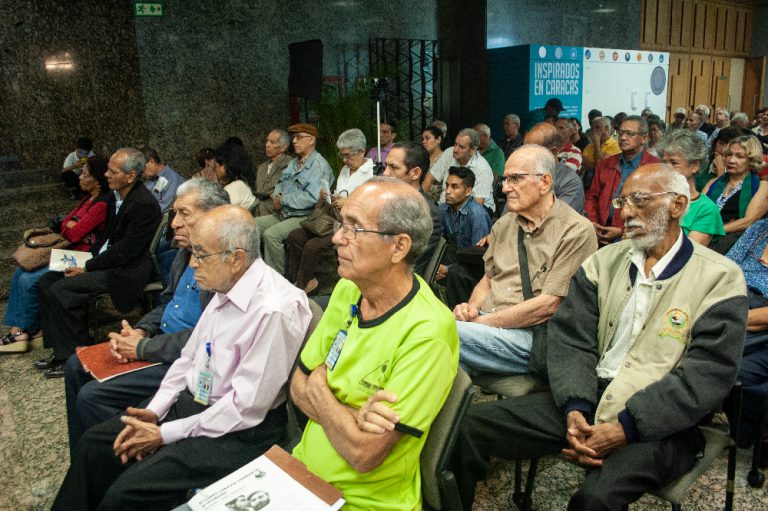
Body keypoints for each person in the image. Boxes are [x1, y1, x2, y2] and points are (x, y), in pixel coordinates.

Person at [453, 163, 748, 511]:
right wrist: (575, 407)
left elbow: (707, 374)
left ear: (677, 205)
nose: (627, 213)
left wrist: (627, 427)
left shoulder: (719, 278)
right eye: (623, 202)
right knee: (467, 427)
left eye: (640, 201)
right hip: (590, 395)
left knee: (596, 498)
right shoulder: (603, 263)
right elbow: (571, 341)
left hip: (662, 418)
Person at [52, 205, 312, 511]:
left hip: (238, 432)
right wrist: (155, 410)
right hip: (195, 405)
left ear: (237, 258)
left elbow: (244, 408)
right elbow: (188, 358)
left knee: (125, 494)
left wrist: (163, 434)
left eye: (200, 255)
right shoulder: (227, 283)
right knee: (95, 445)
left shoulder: (274, 309)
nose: (192, 263)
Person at [290, 177, 459, 511]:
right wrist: (352, 417)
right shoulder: (348, 288)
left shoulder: (428, 332)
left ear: (399, 246)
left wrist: (320, 388)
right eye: (341, 224)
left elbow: (364, 453)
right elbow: (297, 385)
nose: (337, 238)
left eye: (354, 228)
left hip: (361, 502)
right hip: (301, 473)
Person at [62, 178, 229, 452]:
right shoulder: (183, 255)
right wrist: (142, 330)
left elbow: (211, 336)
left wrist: (143, 347)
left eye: (184, 214)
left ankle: (121, 455)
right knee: (74, 366)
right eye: (175, 213)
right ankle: (84, 459)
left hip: (184, 357)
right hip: (158, 340)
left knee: (91, 397)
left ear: (215, 217)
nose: (174, 224)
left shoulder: (223, 266)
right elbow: (168, 303)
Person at [454, 145, 596, 376]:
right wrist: (470, 309)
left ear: (544, 182)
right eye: (505, 179)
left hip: (531, 336)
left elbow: (549, 305)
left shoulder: (576, 231)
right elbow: (488, 280)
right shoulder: (504, 225)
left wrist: (481, 325)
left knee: (435, 333)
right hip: (485, 326)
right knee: (443, 362)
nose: (505, 188)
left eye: (515, 178)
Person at [35, 148, 162, 377]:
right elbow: (106, 240)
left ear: (131, 176)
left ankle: (74, 356)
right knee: (46, 281)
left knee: (63, 289)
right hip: (103, 260)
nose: (106, 175)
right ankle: (60, 350)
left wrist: (86, 267)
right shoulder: (115, 197)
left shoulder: (144, 204)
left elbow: (126, 252)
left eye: (113, 171)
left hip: (125, 270)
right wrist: (84, 259)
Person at [1, 156, 109, 354]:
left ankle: (22, 332)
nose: (80, 177)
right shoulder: (87, 199)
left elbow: (74, 233)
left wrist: (73, 227)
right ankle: (21, 328)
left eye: (85, 174)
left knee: (30, 279)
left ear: (98, 180)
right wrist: (72, 226)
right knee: (20, 273)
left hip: (80, 257)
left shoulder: (101, 204)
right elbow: (64, 224)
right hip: (69, 251)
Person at [286, 128, 374, 294]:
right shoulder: (345, 170)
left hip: (351, 226)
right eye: (342, 155)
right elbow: (340, 194)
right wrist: (328, 195)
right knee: (295, 236)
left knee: (312, 246)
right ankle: (307, 280)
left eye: (348, 155)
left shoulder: (372, 173)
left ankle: (300, 288)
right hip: (331, 220)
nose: (344, 160)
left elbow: (372, 207)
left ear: (362, 152)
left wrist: (348, 203)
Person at [255, 123, 334, 274]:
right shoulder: (294, 162)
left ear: (311, 140)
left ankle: (277, 279)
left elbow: (311, 198)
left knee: (271, 235)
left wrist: (282, 200)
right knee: (250, 225)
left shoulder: (319, 166)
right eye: (293, 138)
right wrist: (277, 195)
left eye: (299, 137)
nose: (294, 141)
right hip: (284, 213)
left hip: (304, 216)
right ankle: (255, 272)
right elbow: (280, 183)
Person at [585, 116, 660, 246]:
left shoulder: (654, 167)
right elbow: (592, 197)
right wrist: (593, 222)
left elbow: (654, 208)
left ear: (644, 138)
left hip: (634, 237)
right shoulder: (605, 164)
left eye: (630, 134)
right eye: (620, 133)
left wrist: (622, 231)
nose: (623, 138)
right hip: (598, 230)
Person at [382, 141, 443, 278]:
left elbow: (410, 265)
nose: (385, 173)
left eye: (394, 167)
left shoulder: (427, 213)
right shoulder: (386, 200)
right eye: (386, 166)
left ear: (415, 173)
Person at [658, 130, 725, 246]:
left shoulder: (706, 209)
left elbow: (688, 251)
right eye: (664, 162)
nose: (667, 168)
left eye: (674, 162)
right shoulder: (657, 197)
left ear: (695, 166)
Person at [704, 135, 768, 252]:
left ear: (751, 160)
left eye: (740, 156)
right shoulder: (713, 182)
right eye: (729, 155)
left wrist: (713, 229)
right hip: (702, 230)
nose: (731, 160)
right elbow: (696, 208)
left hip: (729, 241)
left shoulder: (761, 186)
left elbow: (748, 221)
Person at [435, 166, 491, 282]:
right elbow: (437, 242)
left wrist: (448, 269)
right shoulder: (443, 209)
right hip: (455, 258)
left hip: (472, 267)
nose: (448, 191)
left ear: (468, 191)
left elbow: (477, 257)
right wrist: (436, 267)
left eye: (454, 187)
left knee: (456, 272)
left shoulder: (477, 215)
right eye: (447, 185)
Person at [422, 128, 495, 215]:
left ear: (473, 149)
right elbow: (429, 179)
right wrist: (420, 203)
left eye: (461, 147)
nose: (455, 150)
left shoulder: (482, 168)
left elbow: (478, 203)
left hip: (476, 210)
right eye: (455, 144)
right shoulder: (449, 153)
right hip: (445, 205)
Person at [525, 122, 585, 213]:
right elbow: (508, 215)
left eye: (532, 152)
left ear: (553, 152)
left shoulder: (570, 182)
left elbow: (557, 217)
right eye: (524, 151)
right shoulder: (524, 174)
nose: (526, 157)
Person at [253, 129, 292, 217]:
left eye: (272, 142)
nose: (267, 145)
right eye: (267, 141)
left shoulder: (289, 163)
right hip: (259, 211)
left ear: (283, 147)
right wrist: (270, 193)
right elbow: (261, 190)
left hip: (276, 213)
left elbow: (265, 189)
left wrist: (267, 192)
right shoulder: (262, 167)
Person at [140, 147, 185, 213]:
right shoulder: (151, 178)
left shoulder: (172, 179)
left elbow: (164, 208)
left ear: (151, 161)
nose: (141, 173)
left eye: (142, 168)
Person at [214, 143, 256, 210]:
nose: (215, 170)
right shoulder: (241, 183)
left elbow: (216, 212)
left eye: (216, 166)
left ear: (224, 167)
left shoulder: (234, 188)